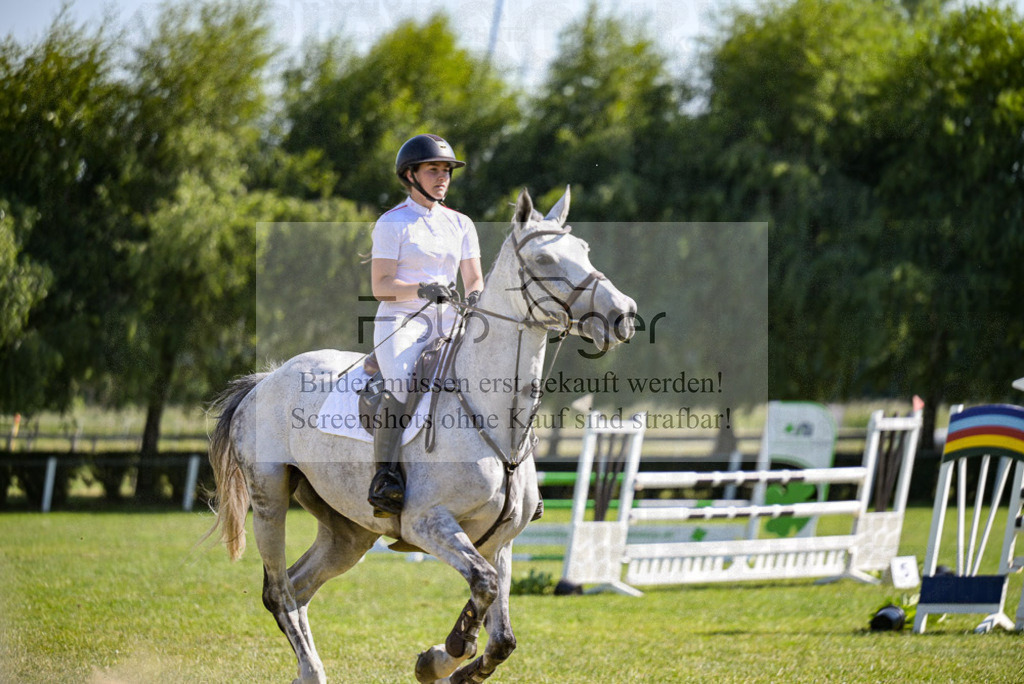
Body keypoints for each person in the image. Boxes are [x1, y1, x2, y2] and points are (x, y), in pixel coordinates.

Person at [367, 134, 484, 518]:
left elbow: (475, 281)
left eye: (446, 170)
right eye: (433, 169)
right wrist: (420, 288)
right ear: (411, 174)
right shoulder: (392, 223)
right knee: (401, 381)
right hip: (403, 319)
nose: (443, 177)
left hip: (451, 320)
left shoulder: (461, 223)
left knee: (494, 372)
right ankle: (385, 477)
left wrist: (476, 302)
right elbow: (381, 286)